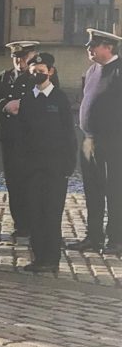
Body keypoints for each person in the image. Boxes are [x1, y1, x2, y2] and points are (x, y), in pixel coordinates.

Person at [16, 52, 77, 273]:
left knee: (52, 213)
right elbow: (21, 135)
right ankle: (38, 256)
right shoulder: (27, 99)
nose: (37, 74)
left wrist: (69, 165)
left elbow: (69, 134)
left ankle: (51, 258)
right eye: (34, 71)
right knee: (35, 212)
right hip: (32, 167)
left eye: (42, 71)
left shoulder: (59, 98)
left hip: (55, 167)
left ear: (50, 72)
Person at [68, 29, 121, 254]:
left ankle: (116, 239)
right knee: (92, 190)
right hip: (89, 140)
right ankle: (94, 236)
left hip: (113, 141)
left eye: (94, 45)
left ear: (108, 47)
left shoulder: (119, 71)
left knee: (115, 191)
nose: (89, 49)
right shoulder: (92, 71)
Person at [0, 40, 41, 240]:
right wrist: (4, 105)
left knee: (31, 180)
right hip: (9, 137)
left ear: (32, 56)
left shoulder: (38, 76)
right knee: (14, 181)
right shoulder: (5, 77)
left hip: (30, 139)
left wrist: (23, 106)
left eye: (23, 57)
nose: (19, 61)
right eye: (15, 57)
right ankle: (20, 223)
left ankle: (33, 222)